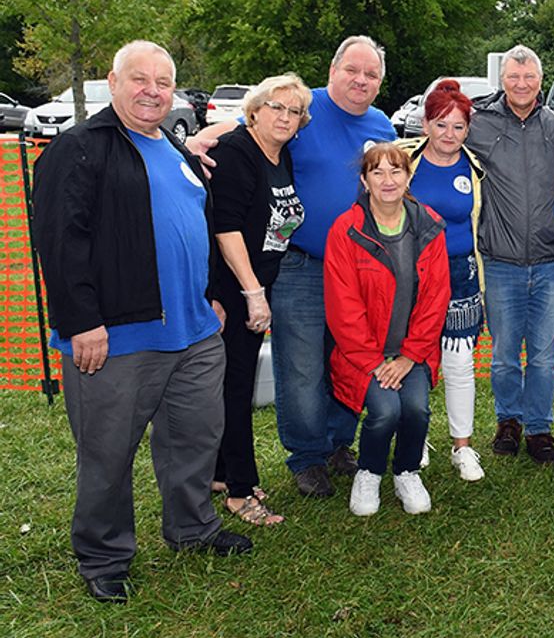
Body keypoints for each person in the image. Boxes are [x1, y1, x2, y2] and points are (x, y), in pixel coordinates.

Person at [31, 41, 251, 603]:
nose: (153, 90)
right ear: (113, 81)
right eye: (141, 79)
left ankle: (192, 527)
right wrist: (81, 321)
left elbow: (196, 222)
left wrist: (211, 295)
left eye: (163, 81)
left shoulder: (172, 145)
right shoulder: (80, 148)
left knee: (195, 438)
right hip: (117, 336)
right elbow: (59, 242)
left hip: (195, 331)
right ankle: (104, 555)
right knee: (108, 451)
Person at [189, 36, 396, 497]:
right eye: (353, 70)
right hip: (301, 263)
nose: (361, 80)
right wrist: (200, 138)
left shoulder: (382, 125)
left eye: (372, 74)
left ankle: (339, 442)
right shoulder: (306, 108)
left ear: (380, 83)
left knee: (351, 359)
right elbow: (252, 122)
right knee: (301, 365)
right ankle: (306, 455)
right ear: (333, 69)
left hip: (359, 266)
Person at [323, 143, 450, 516]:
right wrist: (373, 362)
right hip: (367, 355)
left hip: (413, 351)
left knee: (415, 409)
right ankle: (370, 471)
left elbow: (436, 297)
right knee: (384, 412)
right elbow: (342, 306)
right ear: (364, 181)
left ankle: (407, 472)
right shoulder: (346, 230)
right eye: (377, 172)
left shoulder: (428, 224)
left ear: (409, 177)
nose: (387, 180)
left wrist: (411, 355)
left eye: (396, 171)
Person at [210, 73, 312, 526]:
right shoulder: (238, 152)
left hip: (261, 280)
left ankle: (218, 471)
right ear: (254, 110)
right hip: (233, 287)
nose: (285, 117)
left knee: (234, 380)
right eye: (277, 107)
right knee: (235, 386)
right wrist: (252, 293)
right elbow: (226, 227)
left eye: (294, 111)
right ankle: (239, 491)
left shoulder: (279, 153)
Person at [467, 45, 554, 464]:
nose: (521, 84)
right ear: (502, 80)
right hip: (501, 260)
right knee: (505, 354)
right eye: (513, 77)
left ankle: (539, 428)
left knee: (545, 356)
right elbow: (439, 136)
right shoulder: (480, 124)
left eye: (528, 77)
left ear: (540, 80)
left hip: (550, 262)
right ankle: (507, 420)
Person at [397, 80, 487, 482]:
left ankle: (462, 447)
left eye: (458, 127)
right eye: (440, 124)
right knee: (411, 359)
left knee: (459, 361)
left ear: (468, 130)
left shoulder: (476, 166)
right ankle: (414, 440)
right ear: (425, 124)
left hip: (460, 273)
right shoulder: (401, 159)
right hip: (409, 275)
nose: (449, 134)